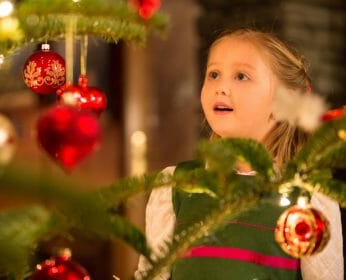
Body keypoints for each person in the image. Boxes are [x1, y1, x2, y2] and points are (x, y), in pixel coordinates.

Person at [135, 28, 343, 279]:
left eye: (241, 76)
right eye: (213, 74)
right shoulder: (175, 186)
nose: (220, 87)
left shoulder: (309, 199)